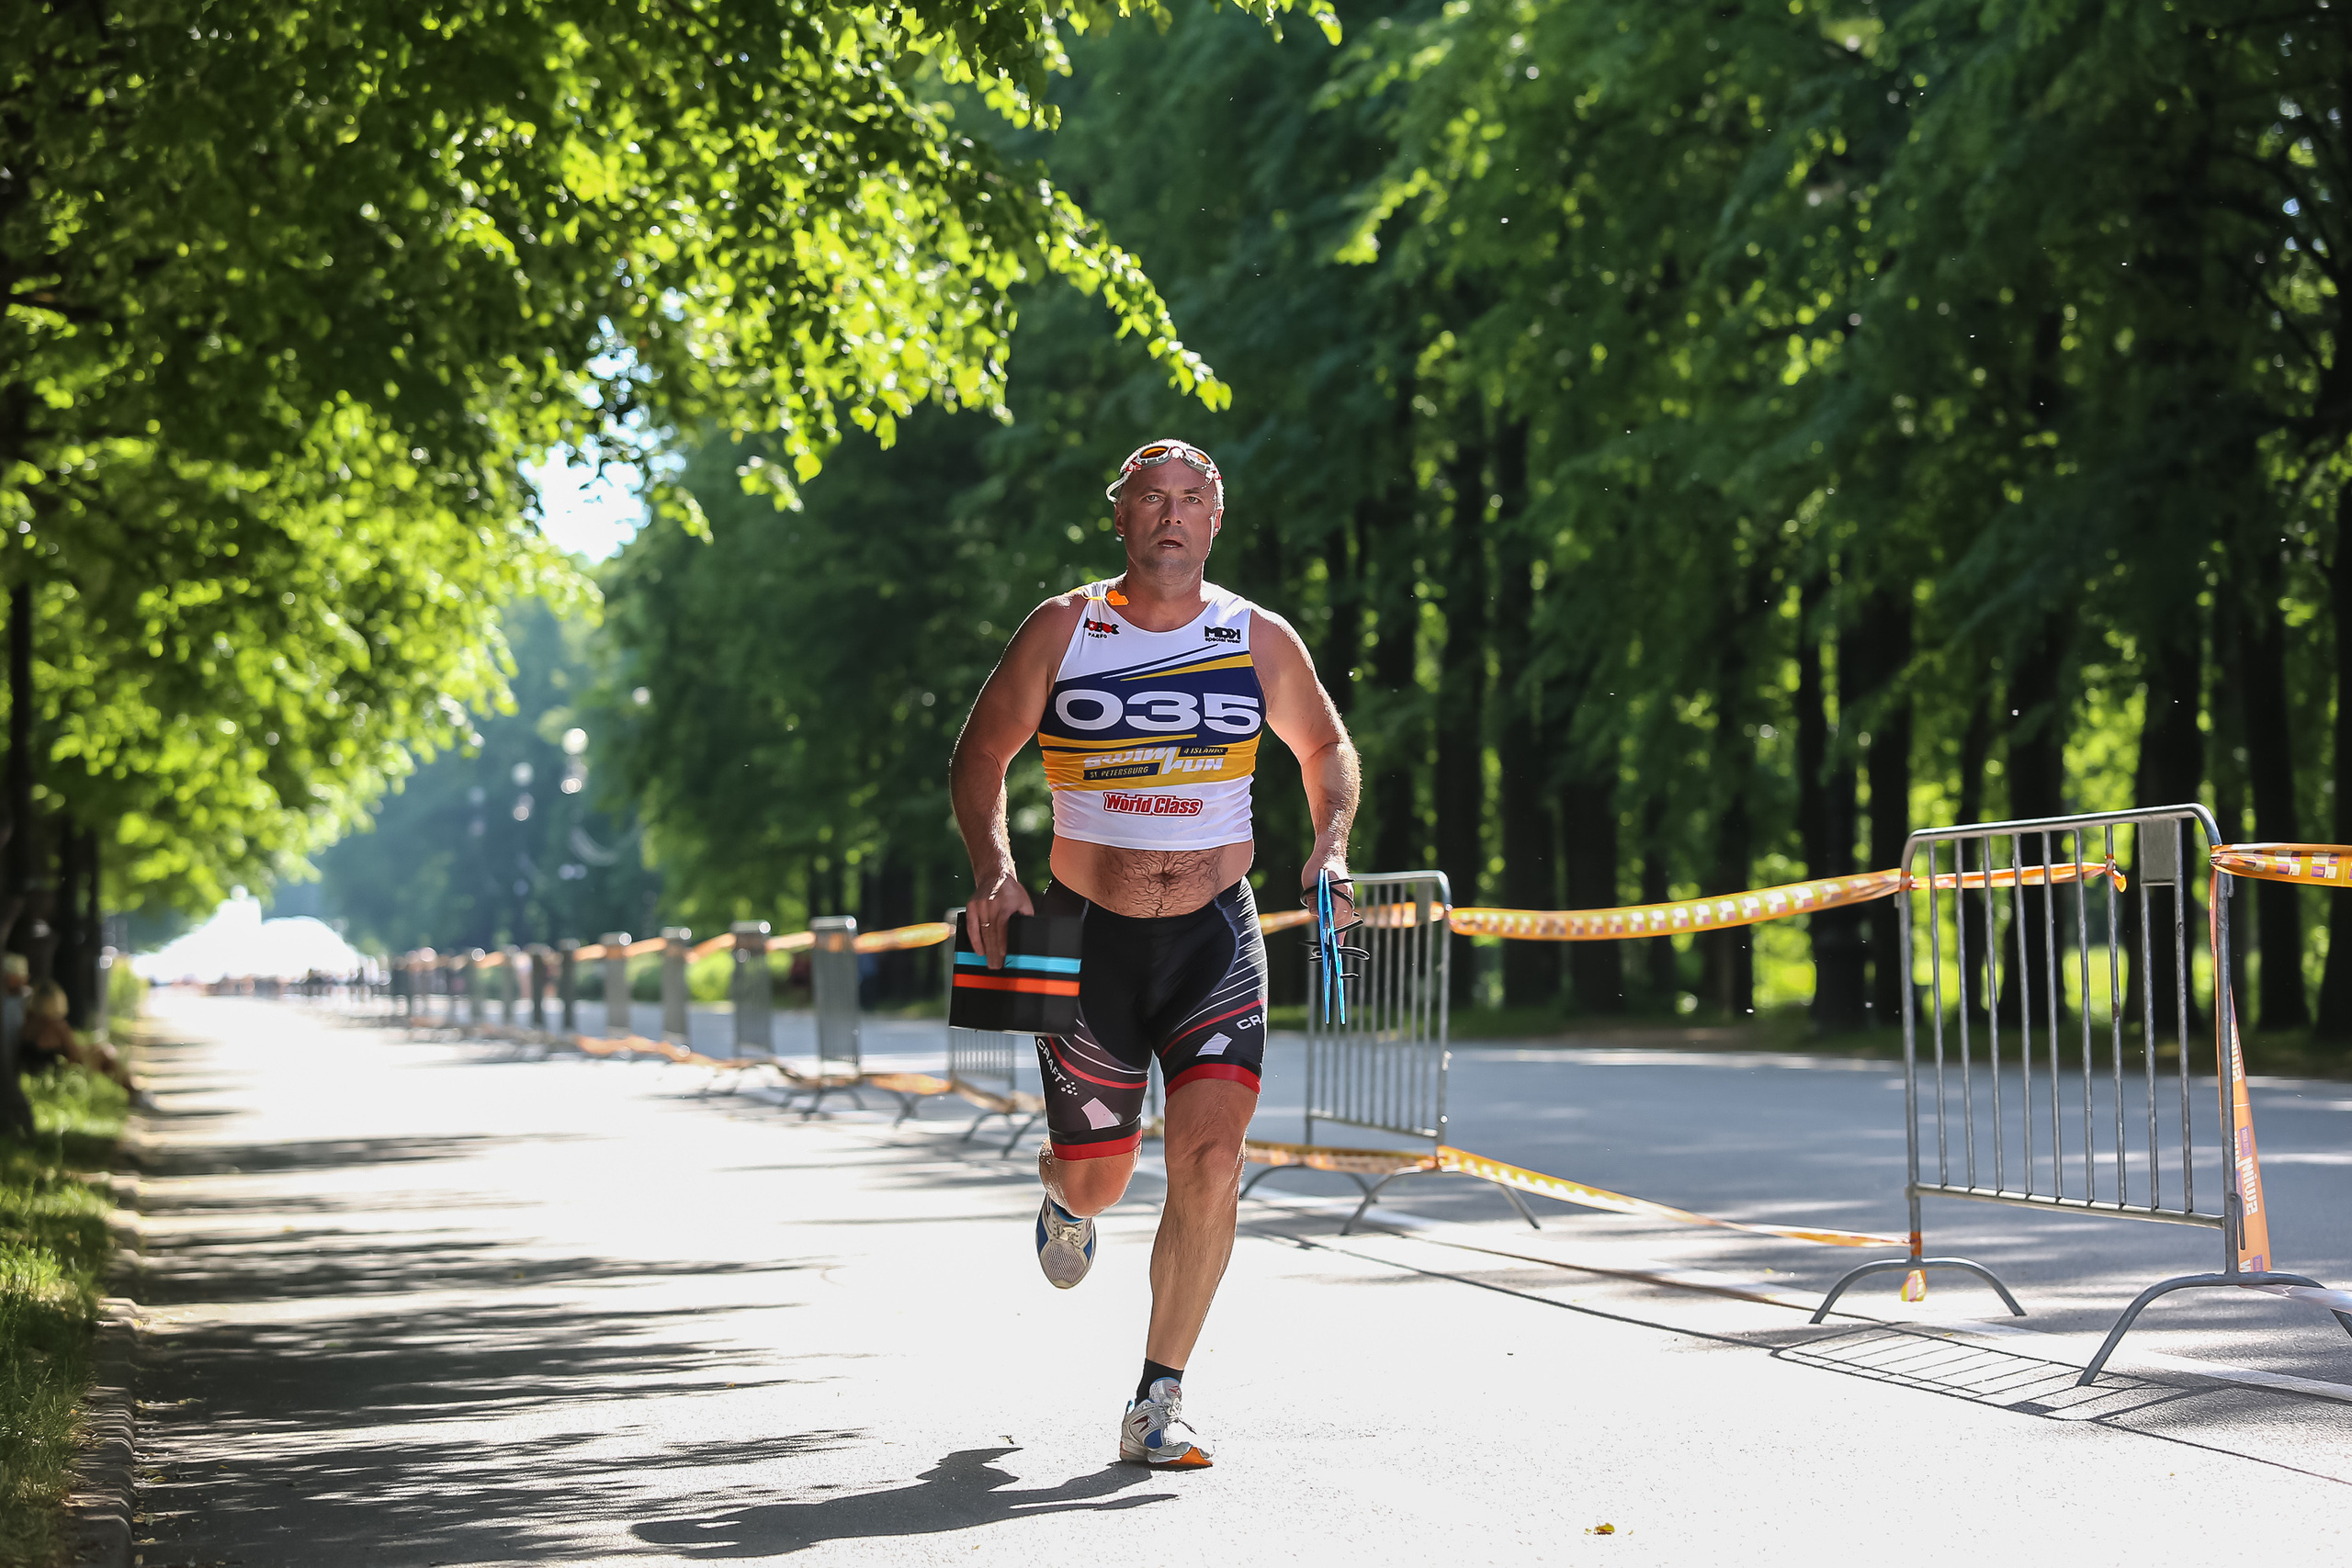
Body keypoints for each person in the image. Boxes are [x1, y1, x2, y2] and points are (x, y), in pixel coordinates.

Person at [949, 437, 1360, 1469]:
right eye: (1150, 499)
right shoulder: (1065, 626)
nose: (1170, 515)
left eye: (1190, 500)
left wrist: (1331, 844)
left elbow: (1324, 745)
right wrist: (994, 870)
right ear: (1121, 518)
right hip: (1084, 941)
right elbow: (980, 752)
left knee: (1213, 1161)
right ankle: (1061, 1186)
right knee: (1100, 1184)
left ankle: (1157, 1397)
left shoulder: (1253, 635)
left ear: (1215, 520)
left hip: (1216, 934)